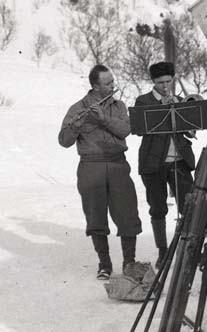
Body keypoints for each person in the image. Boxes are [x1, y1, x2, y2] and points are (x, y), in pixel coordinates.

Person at [58, 64, 145, 280]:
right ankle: (104, 264)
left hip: (118, 165)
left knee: (128, 215)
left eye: (112, 81)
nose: (113, 85)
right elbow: (64, 141)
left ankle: (129, 263)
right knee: (96, 218)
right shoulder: (77, 108)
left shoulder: (119, 106)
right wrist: (76, 126)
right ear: (95, 87)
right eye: (108, 83)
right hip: (91, 166)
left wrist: (103, 119)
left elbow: (126, 130)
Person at [131, 61, 196, 267]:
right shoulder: (143, 101)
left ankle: (191, 250)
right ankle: (163, 251)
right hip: (154, 163)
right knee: (157, 208)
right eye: (161, 82)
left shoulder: (179, 99)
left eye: (169, 81)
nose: (166, 86)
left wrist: (190, 126)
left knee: (189, 206)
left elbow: (189, 130)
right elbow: (140, 129)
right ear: (153, 82)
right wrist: (163, 108)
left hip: (179, 161)